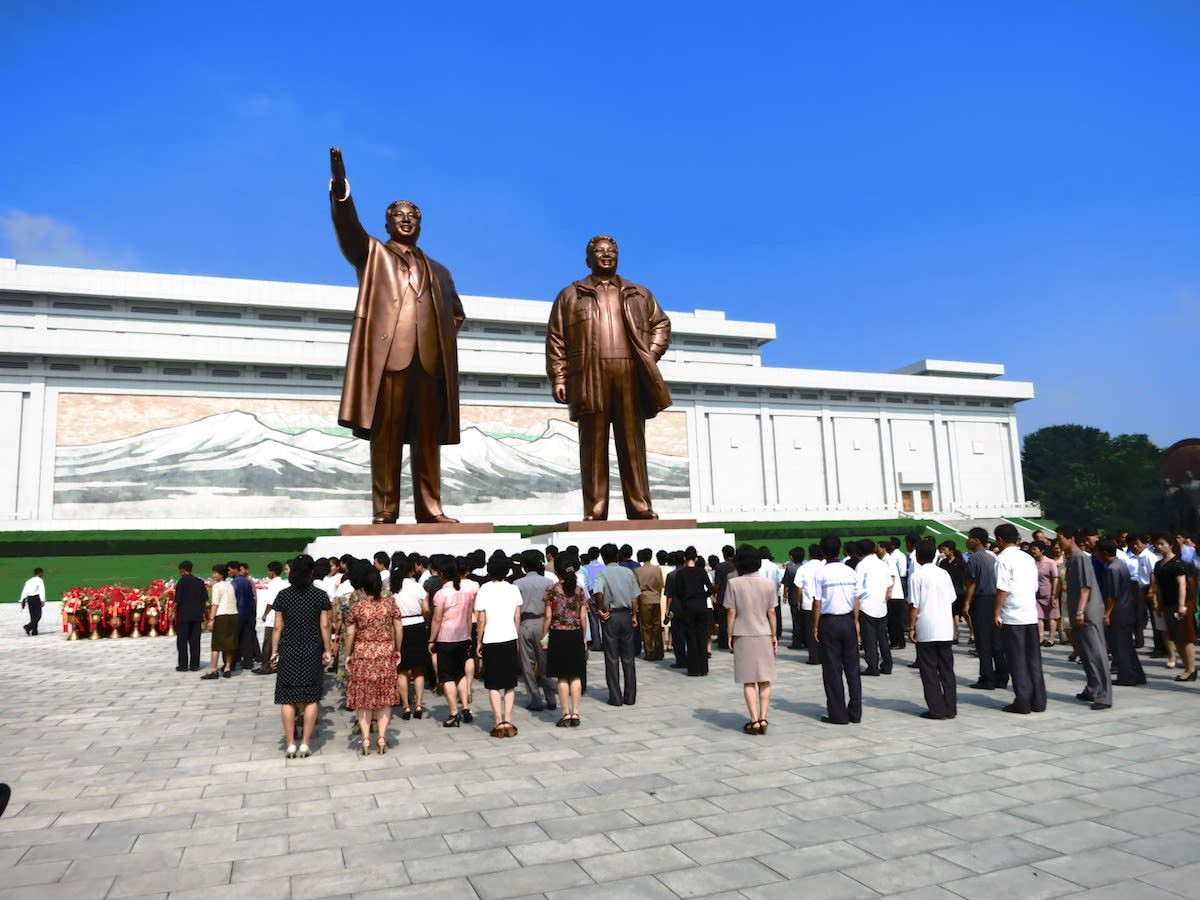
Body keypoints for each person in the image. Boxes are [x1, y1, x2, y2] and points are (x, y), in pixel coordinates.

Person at [328, 147, 465, 524]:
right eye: (398, 216)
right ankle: (386, 508)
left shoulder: (439, 270)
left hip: (429, 362)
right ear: (387, 224)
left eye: (413, 216)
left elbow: (457, 313)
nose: (406, 220)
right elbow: (347, 229)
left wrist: (437, 338)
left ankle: (430, 507)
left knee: (427, 440)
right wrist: (340, 189)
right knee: (385, 437)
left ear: (421, 224)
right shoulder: (372, 254)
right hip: (390, 359)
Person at [545, 234, 671, 520]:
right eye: (599, 251)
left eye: (611, 251)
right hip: (589, 375)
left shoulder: (638, 293)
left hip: (629, 373)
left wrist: (650, 354)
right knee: (593, 443)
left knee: (632, 443)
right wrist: (559, 377)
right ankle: (596, 507)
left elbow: (661, 324)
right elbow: (556, 339)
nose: (606, 255)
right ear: (588, 259)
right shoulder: (570, 295)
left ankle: (639, 505)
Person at [269, 554, 333, 758]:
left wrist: (274, 651)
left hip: (289, 648)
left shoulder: (283, 595)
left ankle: (290, 744)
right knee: (311, 697)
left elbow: (278, 626)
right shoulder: (320, 595)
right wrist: (327, 649)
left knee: (287, 698)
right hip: (312, 648)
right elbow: (324, 625)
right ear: (311, 572)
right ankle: (305, 743)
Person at [344, 568, 402, 754]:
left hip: (363, 653)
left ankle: (366, 739)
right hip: (385, 652)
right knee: (384, 698)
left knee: (363, 698)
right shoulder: (389, 604)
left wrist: (348, 654)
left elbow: (351, 632)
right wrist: (397, 648)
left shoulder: (357, 607)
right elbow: (398, 628)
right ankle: (383, 738)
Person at [725, 544, 778, 735]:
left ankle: (754, 720)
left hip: (742, 633)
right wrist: (774, 635)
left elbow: (731, 611)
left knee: (749, 680)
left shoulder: (733, 583)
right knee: (765, 679)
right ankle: (763, 718)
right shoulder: (768, 583)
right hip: (763, 632)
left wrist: (729, 634)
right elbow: (772, 611)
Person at [993, 523, 1046, 715]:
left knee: (1017, 660)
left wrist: (997, 612)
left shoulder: (1002, 559)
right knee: (1033, 659)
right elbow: (1034, 586)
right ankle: (1039, 700)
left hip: (1013, 615)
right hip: (1029, 612)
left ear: (999, 539)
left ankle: (1022, 701)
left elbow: (1002, 588)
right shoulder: (1028, 558)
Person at [1058, 525, 1112, 709]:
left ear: (1071, 538)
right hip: (1078, 612)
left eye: (1060, 539)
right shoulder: (1072, 559)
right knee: (1086, 652)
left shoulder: (1080, 558)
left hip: (1087, 612)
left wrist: (1080, 610)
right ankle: (1092, 687)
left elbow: (1085, 587)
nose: (1058, 543)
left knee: (1096, 653)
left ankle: (1104, 695)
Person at [813, 536, 862, 725]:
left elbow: (817, 602)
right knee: (852, 668)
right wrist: (855, 621)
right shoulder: (850, 572)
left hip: (830, 621)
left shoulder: (821, 573)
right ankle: (855, 712)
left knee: (832, 670)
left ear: (823, 552)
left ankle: (838, 714)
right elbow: (857, 599)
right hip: (848, 619)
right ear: (840, 550)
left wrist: (815, 626)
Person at [474, 557, 524, 737]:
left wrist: (478, 641)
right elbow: (517, 617)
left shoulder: (484, 589)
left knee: (493, 684)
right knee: (510, 683)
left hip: (491, 638)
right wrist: (516, 636)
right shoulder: (513, 588)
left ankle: (497, 721)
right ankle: (508, 719)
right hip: (509, 636)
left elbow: (481, 619)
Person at [908, 539, 957, 719]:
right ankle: (950, 708)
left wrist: (911, 626)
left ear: (918, 556)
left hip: (926, 626)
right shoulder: (944, 574)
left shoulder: (917, 575)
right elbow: (952, 598)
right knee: (947, 670)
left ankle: (937, 709)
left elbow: (914, 604)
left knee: (929, 671)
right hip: (944, 626)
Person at [428, 559, 477, 727]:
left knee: (447, 676)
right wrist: (469, 634)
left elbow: (436, 619)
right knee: (460, 674)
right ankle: (466, 707)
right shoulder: (467, 592)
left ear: (442, 574)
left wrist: (431, 639)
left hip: (446, 638)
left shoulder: (441, 594)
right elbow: (470, 617)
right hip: (463, 636)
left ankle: (454, 712)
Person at [542, 551, 587, 726]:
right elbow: (583, 617)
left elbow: (547, 616)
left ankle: (565, 713)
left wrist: (543, 635)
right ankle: (576, 713)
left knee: (562, 678)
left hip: (558, 635)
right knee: (575, 676)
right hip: (575, 634)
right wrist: (583, 638)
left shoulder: (552, 590)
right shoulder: (579, 590)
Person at [594, 543, 641, 702]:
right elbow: (635, 597)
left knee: (612, 658)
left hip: (611, 617)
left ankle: (615, 697)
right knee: (628, 658)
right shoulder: (628, 572)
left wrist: (600, 610)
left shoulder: (602, 573)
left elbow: (599, 592)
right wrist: (634, 615)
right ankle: (630, 696)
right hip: (626, 615)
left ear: (603, 557)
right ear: (617, 555)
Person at [964, 527, 1008, 692]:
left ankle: (987, 678)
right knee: (997, 641)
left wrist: (967, 603)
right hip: (995, 599)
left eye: (969, 538)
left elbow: (972, 583)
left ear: (976, 540)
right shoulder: (993, 557)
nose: (967, 541)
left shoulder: (974, 558)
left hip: (981, 600)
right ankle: (1002, 677)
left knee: (983, 642)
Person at [1097, 539, 1146, 687]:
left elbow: (1112, 596)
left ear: (1105, 553)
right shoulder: (1121, 564)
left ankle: (1127, 677)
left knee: (1120, 646)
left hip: (1118, 612)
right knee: (1128, 646)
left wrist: (1106, 614)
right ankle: (1138, 674)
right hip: (1127, 610)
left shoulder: (1112, 569)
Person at [513, 549, 557, 711]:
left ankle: (535, 699)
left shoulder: (517, 584)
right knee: (545, 663)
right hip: (544, 623)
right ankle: (551, 698)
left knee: (527, 664)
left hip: (526, 623)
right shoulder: (548, 582)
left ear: (523, 566)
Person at [1151, 535, 1196, 682]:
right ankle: (1187, 668)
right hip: (1168, 604)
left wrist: (1182, 605)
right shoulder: (1158, 565)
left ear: (1170, 545)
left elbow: (1182, 585)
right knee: (1175, 637)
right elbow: (1158, 586)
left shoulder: (1178, 563)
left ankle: (1191, 669)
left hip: (1181, 604)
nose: (1158, 546)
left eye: (1161, 543)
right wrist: (1158, 602)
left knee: (1185, 638)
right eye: (1156, 544)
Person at [390, 556, 430, 718]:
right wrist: (424, 618)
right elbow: (426, 608)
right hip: (418, 625)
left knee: (402, 670)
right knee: (419, 669)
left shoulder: (393, 588)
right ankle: (419, 705)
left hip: (400, 627)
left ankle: (406, 705)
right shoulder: (417, 587)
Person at [855, 540, 894, 677]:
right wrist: (885, 598)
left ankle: (873, 666)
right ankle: (887, 664)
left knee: (869, 638)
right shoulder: (882, 564)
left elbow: (857, 589)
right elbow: (890, 584)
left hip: (867, 606)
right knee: (882, 636)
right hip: (881, 605)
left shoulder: (862, 565)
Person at [202, 564, 239, 679]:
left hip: (221, 616)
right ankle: (227, 667)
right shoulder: (230, 585)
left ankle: (213, 669)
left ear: (221, 574)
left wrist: (211, 619)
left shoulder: (217, 586)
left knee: (216, 645)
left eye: (215, 573)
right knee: (229, 643)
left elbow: (215, 604)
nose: (213, 575)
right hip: (233, 615)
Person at [252, 561, 286, 675]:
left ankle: (266, 666)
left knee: (268, 644)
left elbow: (271, 602)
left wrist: (265, 614)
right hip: (282, 617)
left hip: (272, 618)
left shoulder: (273, 584)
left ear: (272, 571)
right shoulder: (283, 583)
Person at [173, 561, 207, 672]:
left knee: (182, 642)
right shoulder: (199, 582)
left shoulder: (181, 582)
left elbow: (177, 600)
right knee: (195, 641)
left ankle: (183, 665)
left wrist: (172, 611)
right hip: (197, 616)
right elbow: (205, 598)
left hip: (184, 616)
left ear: (182, 570)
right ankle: (194, 665)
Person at [634, 548, 665, 661]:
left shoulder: (638, 571)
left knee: (646, 627)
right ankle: (659, 651)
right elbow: (660, 584)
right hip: (655, 599)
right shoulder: (657, 569)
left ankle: (649, 652)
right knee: (657, 626)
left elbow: (636, 588)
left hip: (644, 600)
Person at [1029, 541, 1060, 648]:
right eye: (1031, 549)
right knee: (1038, 616)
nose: (1033, 551)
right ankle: (1040, 638)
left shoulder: (1050, 562)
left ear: (1042, 550)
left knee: (1052, 616)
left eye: (1035, 549)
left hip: (1049, 593)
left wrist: (1054, 595)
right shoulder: (1032, 562)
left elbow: (1055, 579)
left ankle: (1051, 639)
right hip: (1036, 593)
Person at [19, 567, 45, 636]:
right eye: (42, 573)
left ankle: (34, 631)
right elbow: (41, 590)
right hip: (36, 598)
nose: (43, 574)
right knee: (38, 616)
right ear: (39, 573)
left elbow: (24, 591)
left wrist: (22, 600)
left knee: (33, 616)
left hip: (29, 599)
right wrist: (42, 600)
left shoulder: (29, 581)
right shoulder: (39, 580)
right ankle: (28, 627)